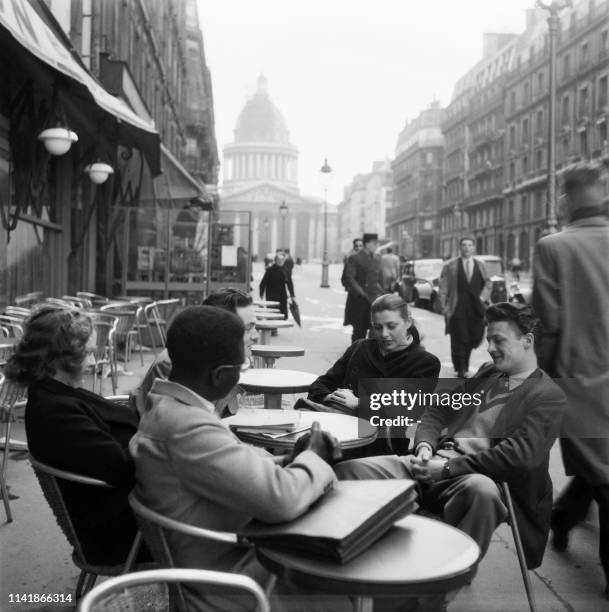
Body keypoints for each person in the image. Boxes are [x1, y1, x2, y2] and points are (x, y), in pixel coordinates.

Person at [129, 306, 343, 611]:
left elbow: (229, 469)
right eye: (240, 370)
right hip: (239, 581)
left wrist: (290, 459)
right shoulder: (187, 426)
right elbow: (281, 499)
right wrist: (315, 458)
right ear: (219, 376)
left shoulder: (170, 409)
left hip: (229, 561)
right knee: (372, 582)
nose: (241, 376)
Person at [337, 303, 565, 570]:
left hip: (477, 478)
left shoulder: (547, 395)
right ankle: (345, 557)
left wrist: (446, 468)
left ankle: (443, 580)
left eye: (499, 340)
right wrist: (424, 445)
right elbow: (438, 409)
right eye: (488, 339)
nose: (490, 347)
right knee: (348, 472)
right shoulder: (488, 372)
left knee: (483, 492)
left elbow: (519, 456)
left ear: (527, 341)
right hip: (430, 462)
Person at [4, 304, 147, 565]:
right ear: (62, 358)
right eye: (88, 354)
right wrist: (155, 433)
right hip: (126, 532)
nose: (93, 362)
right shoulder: (55, 411)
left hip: (128, 508)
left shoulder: (55, 392)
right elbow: (121, 468)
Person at [532, 162, 609, 599]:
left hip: (579, 380)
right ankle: (563, 518)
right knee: (601, 470)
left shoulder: (554, 248)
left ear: (565, 199)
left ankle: (561, 519)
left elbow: (551, 324)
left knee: (600, 470)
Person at [308, 294, 440, 455]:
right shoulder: (359, 348)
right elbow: (320, 385)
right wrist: (332, 397)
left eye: (391, 326)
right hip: (336, 431)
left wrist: (359, 404)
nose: (384, 334)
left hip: (380, 449)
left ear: (408, 323)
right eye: (377, 327)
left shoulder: (425, 363)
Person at [130, 287, 259, 417]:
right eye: (248, 328)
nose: (256, 336)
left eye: (255, 327)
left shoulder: (218, 358)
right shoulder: (177, 364)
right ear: (221, 327)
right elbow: (183, 427)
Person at [439, 237, 491, 378]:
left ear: (473, 248)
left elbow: (488, 283)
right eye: (464, 245)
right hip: (457, 307)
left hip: (476, 308)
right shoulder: (451, 266)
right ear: (460, 248)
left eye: (469, 245)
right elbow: (443, 288)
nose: (467, 248)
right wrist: (444, 307)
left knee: (475, 337)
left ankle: (463, 365)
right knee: (460, 338)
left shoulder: (480, 265)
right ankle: (461, 368)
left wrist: (482, 297)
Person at [343, 233, 383, 343]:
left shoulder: (377, 258)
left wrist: (383, 293)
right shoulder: (354, 258)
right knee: (359, 332)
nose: (376, 245)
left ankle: (371, 356)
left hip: (375, 299)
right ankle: (356, 355)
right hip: (360, 300)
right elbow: (350, 277)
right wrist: (362, 294)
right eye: (374, 243)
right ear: (367, 244)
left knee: (376, 330)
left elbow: (379, 279)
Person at [259, 251, 295, 320]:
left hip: (282, 296)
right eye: (278, 260)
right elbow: (263, 283)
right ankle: (273, 329)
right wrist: (261, 295)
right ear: (275, 261)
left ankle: (275, 329)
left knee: (281, 315)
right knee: (272, 314)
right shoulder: (270, 270)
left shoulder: (285, 270)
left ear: (284, 261)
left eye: (282, 260)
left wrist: (292, 295)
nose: (280, 261)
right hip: (271, 295)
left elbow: (290, 284)